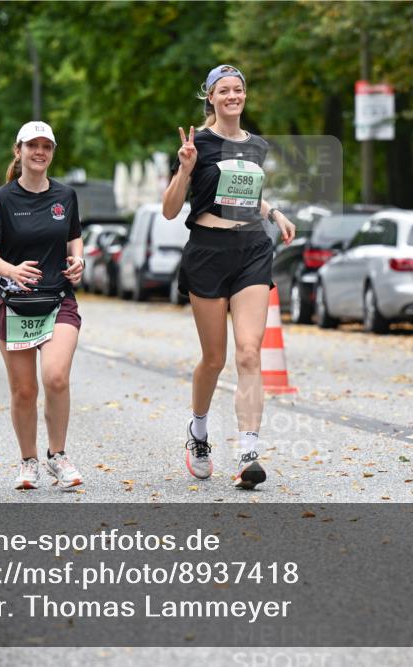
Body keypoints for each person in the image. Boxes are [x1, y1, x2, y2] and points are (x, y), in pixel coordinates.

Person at [162, 65, 295, 490]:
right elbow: (169, 209)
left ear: (244, 95)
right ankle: (198, 433)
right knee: (214, 359)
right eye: (224, 91)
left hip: (252, 249)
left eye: (238, 89)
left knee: (250, 352)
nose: (232, 96)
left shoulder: (257, 145)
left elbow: (246, 192)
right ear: (211, 98)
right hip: (206, 252)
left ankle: (248, 452)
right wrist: (185, 169)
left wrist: (273, 211)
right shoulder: (196, 143)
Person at [0, 121, 85, 491]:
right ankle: (29, 461)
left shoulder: (66, 196)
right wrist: (11, 269)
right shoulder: (3, 200)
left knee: (55, 376)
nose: (40, 152)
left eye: (46, 146)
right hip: (14, 305)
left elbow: (75, 239)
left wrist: (78, 262)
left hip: (58, 300)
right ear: (18, 151)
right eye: (32, 146)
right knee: (24, 390)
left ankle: (58, 455)